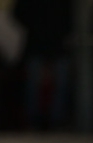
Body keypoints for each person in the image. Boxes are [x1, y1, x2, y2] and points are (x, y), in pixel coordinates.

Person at [12, 0, 76, 130]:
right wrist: (37, 26)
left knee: (60, 83)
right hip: (39, 44)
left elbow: (72, 16)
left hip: (55, 44)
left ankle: (55, 119)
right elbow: (18, 13)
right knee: (33, 84)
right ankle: (35, 119)